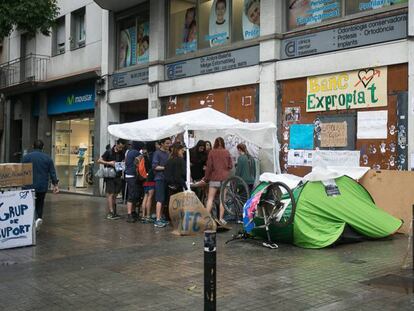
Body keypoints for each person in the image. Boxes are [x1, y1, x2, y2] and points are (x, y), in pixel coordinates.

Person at [22, 139, 59, 231]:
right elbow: (52, 173)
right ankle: (38, 219)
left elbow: (21, 171)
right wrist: (55, 185)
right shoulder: (47, 158)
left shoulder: (26, 157)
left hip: (28, 185)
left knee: (30, 204)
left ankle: (33, 220)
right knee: (40, 203)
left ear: (33, 146)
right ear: (43, 147)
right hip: (42, 186)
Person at [203, 137, 233, 224]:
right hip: (225, 178)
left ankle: (206, 220)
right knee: (222, 200)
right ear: (223, 143)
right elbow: (230, 166)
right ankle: (220, 219)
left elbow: (209, 167)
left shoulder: (212, 152)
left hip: (214, 178)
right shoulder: (226, 152)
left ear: (215, 143)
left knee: (210, 199)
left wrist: (206, 178)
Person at [98, 139, 127, 220]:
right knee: (110, 194)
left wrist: (123, 164)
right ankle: (110, 212)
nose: (121, 148)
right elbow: (99, 160)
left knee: (115, 195)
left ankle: (114, 212)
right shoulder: (109, 152)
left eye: (122, 147)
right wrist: (109, 163)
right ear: (116, 144)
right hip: (109, 176)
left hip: (118, 176)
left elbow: (123, 163)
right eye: (120, 147)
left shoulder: (122, 152)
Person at [152, 137, 172, 228]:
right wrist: (165, 168)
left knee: (163, 199)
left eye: (169, 143)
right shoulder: (157, 153)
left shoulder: (168, 153)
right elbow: (155, 167)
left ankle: (161, 217)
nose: (169, 145)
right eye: (167, 143)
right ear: (162, 144)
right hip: (159, 179)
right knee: (159, 199)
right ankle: (157, 220)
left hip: (166, 179)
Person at [124, 141, 144, 223]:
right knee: (132, 195)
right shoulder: (136, 153)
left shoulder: (129, 152)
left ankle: (132, 212)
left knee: (133, 194)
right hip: (132, 176)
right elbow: (139, 163)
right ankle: (129, 214)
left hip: (128, 175)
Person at [141, 142, 156, 223]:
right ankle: (148, 216)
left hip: (145, 178)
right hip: (151, 178)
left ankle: (143, 215)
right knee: (150, 197)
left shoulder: (144, 155)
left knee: (145, 196)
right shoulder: (153, 155)